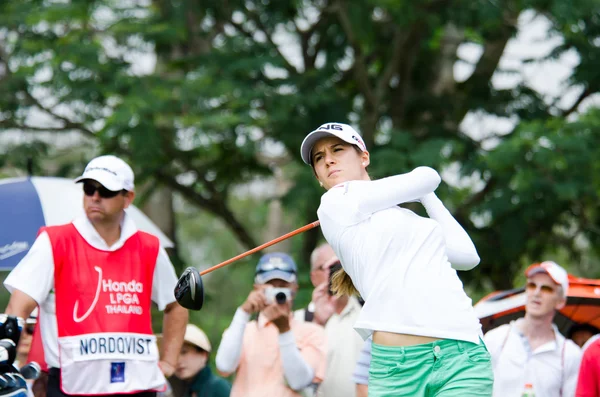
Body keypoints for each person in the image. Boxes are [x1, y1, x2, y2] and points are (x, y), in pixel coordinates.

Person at [300, 122, 492, 396]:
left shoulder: (409, 220)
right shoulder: (333, 204)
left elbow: (466, 255)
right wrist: (420, 186)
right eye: (319, 158)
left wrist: (426, 197)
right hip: (397, 367)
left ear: (364, 156)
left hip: (461, 353)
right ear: (319, 176)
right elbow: (427, 175)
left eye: (338, 149)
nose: (328, 159)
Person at [3, 155, 188, 397]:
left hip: (137, 385)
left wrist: (170, 362)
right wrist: (6, 354)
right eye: (89, 189)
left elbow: (175, 305)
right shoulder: (55, 241)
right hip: (71, 387)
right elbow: (19, 304)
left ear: (128, 198)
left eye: (106, 191)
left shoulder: (149, 247)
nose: (95, 197)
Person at [214, 252, 327, 397]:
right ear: (256, 288)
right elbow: (224, 366)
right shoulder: (243, 330)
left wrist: (284, 330)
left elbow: (299, 381)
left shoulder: (312, 332)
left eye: (283, 285)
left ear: (294, 289)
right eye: (270, 286)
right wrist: (243, 312)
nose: (277, 292)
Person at [484, 261, 582, 397]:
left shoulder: (570, 354)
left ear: (560, 302)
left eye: (546, 288)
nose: (537, 293)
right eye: (532, 285)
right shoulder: (496, 339)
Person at [295, 243, 363, 397]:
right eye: (326, 267)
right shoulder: (298, 320)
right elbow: (292, 377)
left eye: (339, 265)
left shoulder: (367, 314)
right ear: (313, 277)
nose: (334, 273)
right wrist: (317, 322)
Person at [168, 324, 230, 397]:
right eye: (174, 355)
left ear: (204, 355)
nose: (178, 360)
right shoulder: (175, 388)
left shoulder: (219, 388)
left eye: (184, 352)